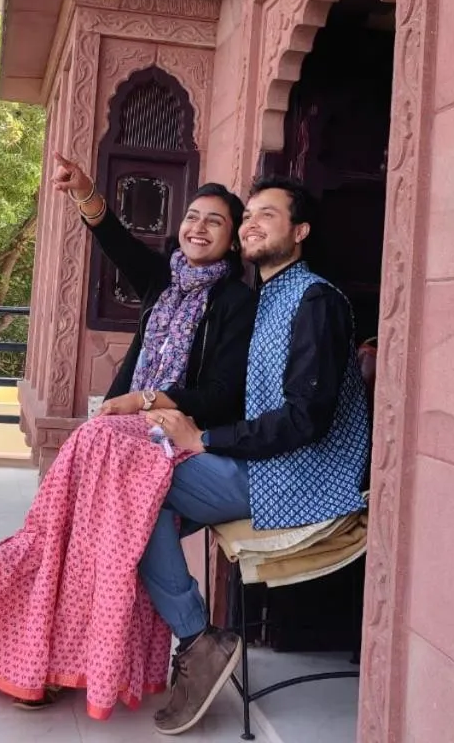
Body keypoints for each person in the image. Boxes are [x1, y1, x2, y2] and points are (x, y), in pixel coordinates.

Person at [0, 153, 257, 721]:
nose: (198, 227)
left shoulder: (237, 302)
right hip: (129, 440)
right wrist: (86, 193)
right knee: (67, 526)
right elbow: (116, 243)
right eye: (192, 216)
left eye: (215, 221)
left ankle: (4, 639)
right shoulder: (164, 283)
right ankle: (4, 639)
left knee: (84, 510)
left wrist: (146, 401)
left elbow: (222, 394)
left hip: (171, 441)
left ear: (235, 239)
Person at [142, 176, 371, 736]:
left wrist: (206, 440)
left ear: (300, 232)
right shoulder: (263, 297)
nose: (251, 223)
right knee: (123, 505)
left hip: (304, 477)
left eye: (269, 215)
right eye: (249, 215)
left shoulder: (315, 299)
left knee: (135, 493)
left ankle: (199, 640)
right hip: (264, 468)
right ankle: (161, 644)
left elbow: (306, 419)